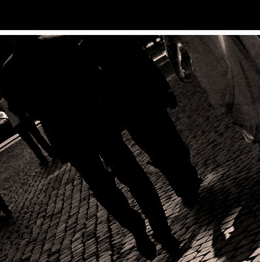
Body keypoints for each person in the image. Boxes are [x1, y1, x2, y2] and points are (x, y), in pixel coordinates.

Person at [1, 36, 182, 261]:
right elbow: (95, 76)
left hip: (65, 133)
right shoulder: (61, 43)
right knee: (134, 176)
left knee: (103, 187)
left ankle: (135, 227)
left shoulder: (10, 70)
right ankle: (163, 231)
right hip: (95, 118)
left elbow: (21, 109)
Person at [80, 36, 202, 206]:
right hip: (136, 106)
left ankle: (186, 182)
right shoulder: (90, 48)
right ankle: (185, 184)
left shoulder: (91, 47)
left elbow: (143, 61)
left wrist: (164, 89)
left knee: (167, 146)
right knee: (165, 148)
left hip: (138, 105)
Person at [163, 35, 260, 163]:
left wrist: (179, 71)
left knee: (236, 106)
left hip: (210, 69)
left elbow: (170, 47)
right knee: (244, 96)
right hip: (224, 58)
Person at [0, 94, 58, 168]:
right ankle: (52, 153)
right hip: (26, 120)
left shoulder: (2, 103)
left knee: (31, 144)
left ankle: (43, 160)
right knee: (39, 138)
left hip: (17, 124)